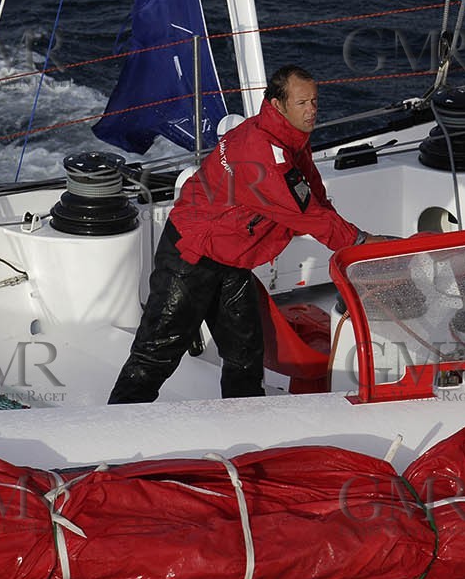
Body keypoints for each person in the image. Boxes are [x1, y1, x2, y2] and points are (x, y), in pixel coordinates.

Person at [108, 65, 384, 403]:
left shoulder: (289, 138)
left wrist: (349, 233)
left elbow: (313, 194)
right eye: (302, 103)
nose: (312, 110)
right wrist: (361, 243)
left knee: (246, 353)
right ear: (278, 105)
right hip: (191, 255)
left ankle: (245, 427)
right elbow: (308, 215)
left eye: (314, 101)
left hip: (231, 257)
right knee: (156, 355)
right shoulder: (266, 155)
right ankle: (114, 432)